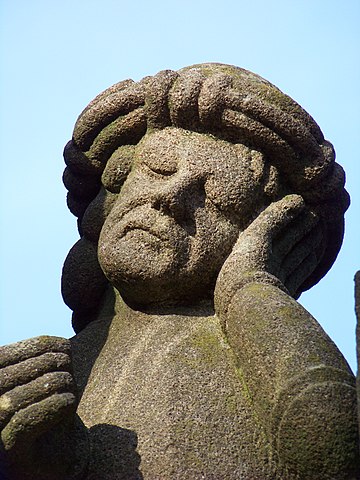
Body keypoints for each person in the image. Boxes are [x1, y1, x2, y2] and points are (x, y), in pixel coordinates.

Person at [0, 64, 358, 480]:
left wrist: (251, 286)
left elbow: (330, 447)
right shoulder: (60, 371)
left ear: (267, 234)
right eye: (159, 168)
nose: (169, 197)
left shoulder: (256, 348)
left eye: (218, 200)